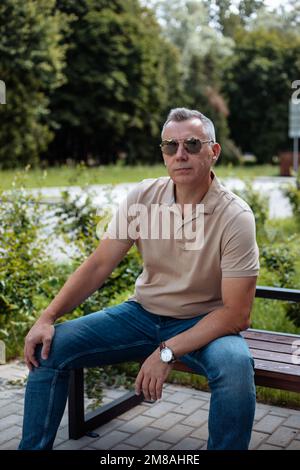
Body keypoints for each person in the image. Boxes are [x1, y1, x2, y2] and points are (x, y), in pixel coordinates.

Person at [19, 108, 259, 450]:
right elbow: (99, 264)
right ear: (163, 154)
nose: (181, 154)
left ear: (213, 151)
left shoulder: (235, 216)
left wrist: (166, 352)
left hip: (204, 324)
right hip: (141, 315)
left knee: (235, 368)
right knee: (49, 348)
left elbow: (237, 315)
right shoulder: (144, 197)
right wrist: (47, 317)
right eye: (170, 146)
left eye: (192, 144)